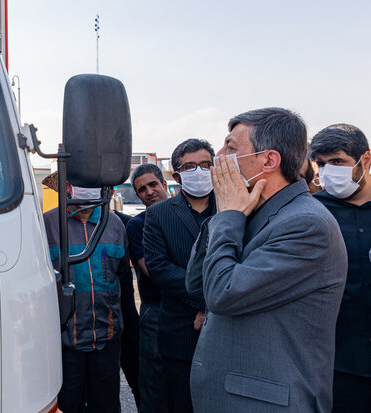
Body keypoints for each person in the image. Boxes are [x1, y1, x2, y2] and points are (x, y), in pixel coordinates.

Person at [185, 107, 347, 412]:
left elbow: (223, 293)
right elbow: (196, 285)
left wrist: (229, 216)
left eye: (231, 147)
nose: (219, 156)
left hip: (267, 402)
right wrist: (225, 214)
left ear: (269, 160)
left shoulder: (306, 224)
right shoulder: (248, 212)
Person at [42, 177, 129, 413]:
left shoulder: (115, 225)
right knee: (66, 406)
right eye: (76, 181)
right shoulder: (46, 224)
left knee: (107, 406)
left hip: (106, 340)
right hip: (62, 345)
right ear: (66, 187)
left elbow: (120, 275)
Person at [142, 140, 216, 413]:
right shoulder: (159, 214)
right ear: (177, 175)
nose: (199, 171)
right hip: (180, 332)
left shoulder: (234, 208)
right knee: (181, 404)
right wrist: (202, 303)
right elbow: (160, 268)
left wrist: (212, 307)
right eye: (190, 166)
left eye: (205, 164)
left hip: (226, 329)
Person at [309, 124, 371, 413]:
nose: (327, 171)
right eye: (321, 163)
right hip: (336, 363)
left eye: (337, 162)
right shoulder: (312, 212)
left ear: (365, 160)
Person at [125, 163, 169, 413]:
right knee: (155, 386)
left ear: (164, 183)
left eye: (153, 184)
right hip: (157, 311)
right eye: (142, 189)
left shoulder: (190, 214)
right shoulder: (137, 225)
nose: (149, 192)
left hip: (198, 310)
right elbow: (154, 272)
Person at [113, 208, 141, 411]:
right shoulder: (57, 222)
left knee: (140, 382)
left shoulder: (125, 223)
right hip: (83, 324)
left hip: (127, 316)